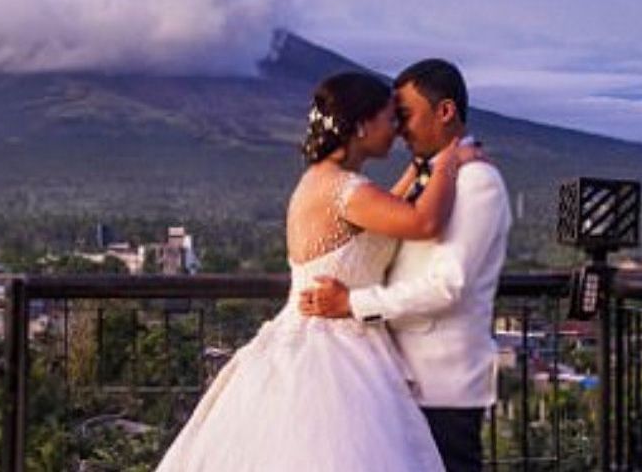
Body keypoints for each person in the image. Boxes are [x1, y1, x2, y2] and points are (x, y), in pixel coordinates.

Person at [155, 70, 484, 472]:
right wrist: (449, 163)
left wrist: (420, 168)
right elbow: (423, 222)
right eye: (389, 118)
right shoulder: (347, 191)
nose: (397, 129)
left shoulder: (329, 183)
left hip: (323, 336)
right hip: (336, 352)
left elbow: (386, 213)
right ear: (362, 126)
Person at [299, 59, 513, 472]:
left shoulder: (477, 183)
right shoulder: (431, 176)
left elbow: (448, 286)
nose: (398, 130)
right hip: (398, 380)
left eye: (406, 116)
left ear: (445, 111)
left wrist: (352, 304)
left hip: (441, 385)